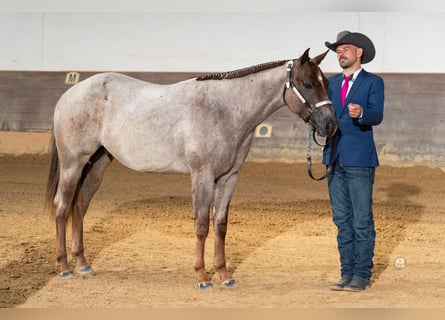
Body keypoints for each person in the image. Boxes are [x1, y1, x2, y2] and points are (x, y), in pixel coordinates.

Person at [322, 31, 384, 292]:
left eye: (345, 49)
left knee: (361, 220)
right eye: (338, 51)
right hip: (334, 157)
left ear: (359, 52)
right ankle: (346, 273)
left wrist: (362, 114)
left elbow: (377, 115)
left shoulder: (373, 82)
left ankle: (361, 274)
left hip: (359, 159)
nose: (340, 54)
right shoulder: (331, 83)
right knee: (342, 220)